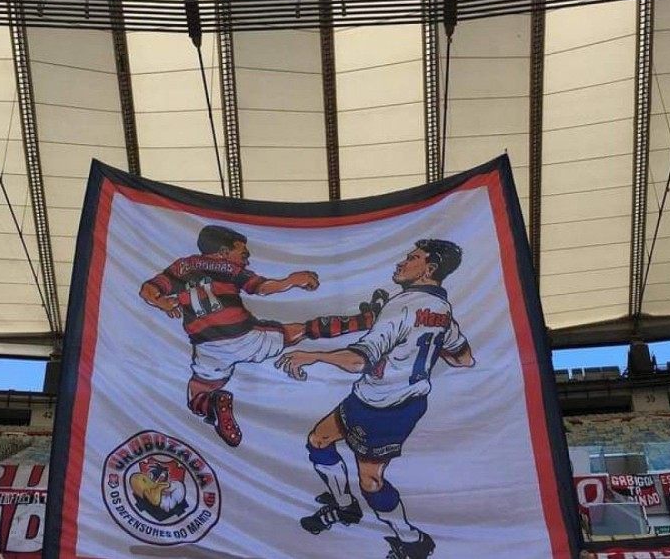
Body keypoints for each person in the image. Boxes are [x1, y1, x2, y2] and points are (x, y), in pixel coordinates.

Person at [276, 239, 475, 559]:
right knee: (319, 439)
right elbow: (463, 358)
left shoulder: (403, 305)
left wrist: (312, 356)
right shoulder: (442, 310)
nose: (402, 262)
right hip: (379, 398)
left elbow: (359, 361)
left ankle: (412, 541)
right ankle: (345, 507)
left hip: (384, 407)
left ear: (430, 269)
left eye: (412, 258)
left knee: (370, 481)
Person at [140, 225, 383, 447]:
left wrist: (162, 302)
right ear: (224, 252)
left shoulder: (181, 266)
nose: (247, 259)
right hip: (243, 336)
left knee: (197, 395)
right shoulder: (230, 268)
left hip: (207, 348)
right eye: (243, 254)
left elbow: (148, 290)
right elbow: (263, 288)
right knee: (299, 331)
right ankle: (366, 320)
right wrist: (292, 281)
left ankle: (213, 404)